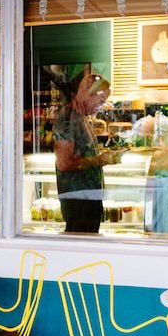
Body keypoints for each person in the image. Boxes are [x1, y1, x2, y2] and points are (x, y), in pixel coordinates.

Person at [53, 73, 123, 233]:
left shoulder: (81, 117)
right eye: (100, 101)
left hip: (88, 198)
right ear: (87, 94)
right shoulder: (68, 117)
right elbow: (64, 163)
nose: (101, 106)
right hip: (78, 200)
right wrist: (99, 160)